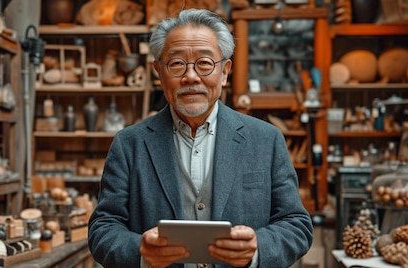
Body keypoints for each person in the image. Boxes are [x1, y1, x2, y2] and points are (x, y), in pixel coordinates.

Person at [88, 8, 314, 268]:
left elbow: (297, 225)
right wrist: (140, 251)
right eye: (176, 64)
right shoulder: (129, 144)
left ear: (225, 72)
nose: (191, 76)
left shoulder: (266, 140)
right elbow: (102, 228)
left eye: (205, 63)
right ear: (159, 72)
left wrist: (256, 249)